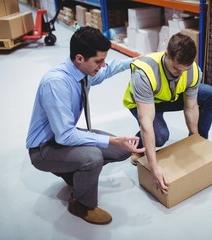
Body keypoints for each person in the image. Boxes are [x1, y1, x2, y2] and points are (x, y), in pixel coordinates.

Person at [26, 26, 145, 225]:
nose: (102, 65)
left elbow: (108, 71)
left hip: (61, 137)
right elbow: (65, 136)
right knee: (93, 157)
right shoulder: (56, 83)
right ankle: (81, 204)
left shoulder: (84, 73)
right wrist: (111, 140)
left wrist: (134, 62)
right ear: (80, 58)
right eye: (98, 61)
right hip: (44, 148)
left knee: (121, 151)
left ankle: (73, 174)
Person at [123, 32, 212, 194]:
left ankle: (200, 141)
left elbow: (190, 106)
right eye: (176, 68)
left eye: (186, 69)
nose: (181, 74)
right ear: (166, 55)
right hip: (144, 102)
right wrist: (153, 165)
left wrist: (193, 138)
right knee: (160, 136)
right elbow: (146, 121)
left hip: (170, 96)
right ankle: (139, 147)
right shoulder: (145, 71)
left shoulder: (192, 71)